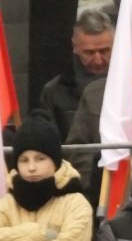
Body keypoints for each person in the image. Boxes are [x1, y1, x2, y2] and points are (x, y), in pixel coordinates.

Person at [66, 4, 132, 200]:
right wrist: (95, 185)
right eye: (129, 37)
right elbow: (78, 149)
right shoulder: (96, 92)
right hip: (109, 194)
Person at [37, 9, 113, 142]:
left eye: (104, 51)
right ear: (75, 46)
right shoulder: (54, 92)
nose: (98, 60)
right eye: (89, 53)